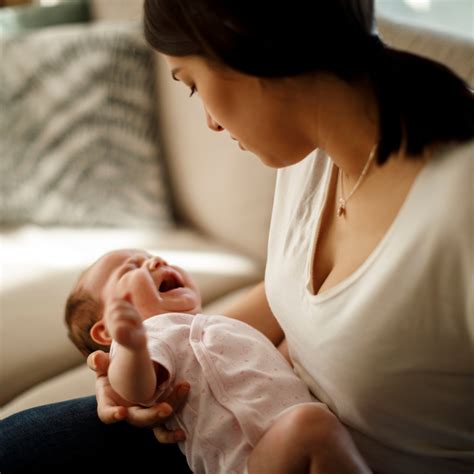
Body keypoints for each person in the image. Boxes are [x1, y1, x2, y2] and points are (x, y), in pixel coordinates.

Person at [1, 0, 473, 473]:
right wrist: (146, 355)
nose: (209, 120)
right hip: (248, 430)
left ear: (237, 44)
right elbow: (298, 300)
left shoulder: (459, 206)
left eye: (190, 84)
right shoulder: (309, 150)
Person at [65, 248, 370, 474]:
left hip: (284, 450)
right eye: (130, 268)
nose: (156, 261)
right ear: (106, 330)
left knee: (315, 430)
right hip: (245, 463)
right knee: (311, 426)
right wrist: (130, 347)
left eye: (155, 257)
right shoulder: (151, 336)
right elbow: (138, 390)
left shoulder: (218, 327)